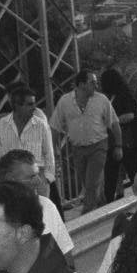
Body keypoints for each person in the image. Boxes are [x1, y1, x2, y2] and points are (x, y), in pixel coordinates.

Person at [0, 150, 73, 272]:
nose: (38, 181)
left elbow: (66, 253)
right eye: (31, 177)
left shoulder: (47, 206)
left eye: (37, 174)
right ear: (10, 181)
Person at [50, 69, 119, 213]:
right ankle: (102, 206)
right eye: (92, 83)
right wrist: (54, 149)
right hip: (77, 149)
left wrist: (118, 145)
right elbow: (55, 127)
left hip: (98, 146)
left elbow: (114, 123)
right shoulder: (65, 101)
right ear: (81, 85)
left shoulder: (101, 100)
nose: (96, 86)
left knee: (91, 183)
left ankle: (86, 214)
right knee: (88, 185)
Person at [0, 83, 58, 205]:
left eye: (34, 103)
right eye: (29, 104)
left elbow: (49, 154)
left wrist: (47, 179)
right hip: (13, 182)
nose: (34, 107)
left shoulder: (41, 125)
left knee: (40, 218)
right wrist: (1, 181)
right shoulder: (1, 126)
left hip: (38, 178)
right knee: (18, 217)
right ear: (17, 106)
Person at [99, 66, 137, 200]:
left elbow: (130, 115)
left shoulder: (124, 95)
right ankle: (112, 197)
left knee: (131, 173)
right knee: (114, 173)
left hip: (127, 141)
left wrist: (112, 122)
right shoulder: (114, 96)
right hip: (119, 141)